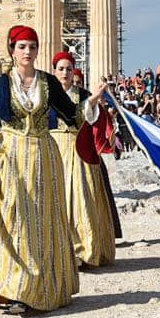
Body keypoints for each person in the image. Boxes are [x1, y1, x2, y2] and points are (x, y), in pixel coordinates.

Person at [0, 25, 105, 316]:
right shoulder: (0, 85)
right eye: (22, 47)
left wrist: (90, 105)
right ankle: (14, 286)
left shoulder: (48, 83)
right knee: (14, 221)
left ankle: (40, 288)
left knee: (41, 223)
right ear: (12, 50)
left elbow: (71, 114)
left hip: (44, 158)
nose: (27, 52)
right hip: (10, 159)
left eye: (32, 47)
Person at [49, 51, 116, 268]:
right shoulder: (45, 95)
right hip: (54, 148)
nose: (65, 73)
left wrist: (96, 98)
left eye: (69, 69)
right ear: (54, 71)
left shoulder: (84, 94)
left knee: (81, 197)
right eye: (61, 69)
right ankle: (57, 251)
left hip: (79, 149)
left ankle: (84, 250)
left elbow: (92, 118)